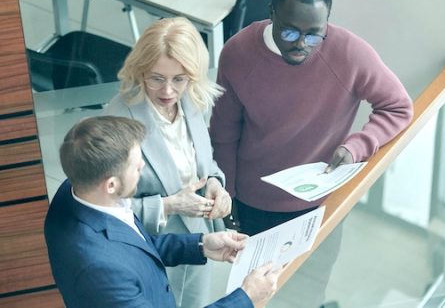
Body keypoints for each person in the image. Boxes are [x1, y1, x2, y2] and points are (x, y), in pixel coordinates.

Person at [210, 0, 413, 305]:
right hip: (252, 203)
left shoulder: (349, 53)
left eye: (314, 35)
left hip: (320, 204)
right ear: (272, 13)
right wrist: (228, 198)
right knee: (257, 297)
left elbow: (398, 107)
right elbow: (223, 135)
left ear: (326, 25)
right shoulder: (238, 53)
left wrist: (357, 146)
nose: (300, 44)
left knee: (308, 293)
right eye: (289, 31)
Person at [44, 116, 279, 308]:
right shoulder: (100, 270)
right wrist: (247, 296)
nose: (143, 166)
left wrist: (201, 245)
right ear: (111, 184)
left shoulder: (77, 189)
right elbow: (116, 259)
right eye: (136, 166)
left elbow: (132, 246)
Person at [105, 17, 232, 308]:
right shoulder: (117, 121)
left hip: (200, 242)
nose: (168, 92)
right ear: (140, 71)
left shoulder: (191, 100)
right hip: (152, 251)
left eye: (179, 79)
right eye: (156, 78)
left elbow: (203, 162)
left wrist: (215, 184)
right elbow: (106, 212)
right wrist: (171, 205)